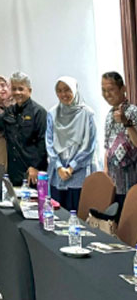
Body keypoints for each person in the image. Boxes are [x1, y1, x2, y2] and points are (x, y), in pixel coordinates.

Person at [46, 76, 98, 212]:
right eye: (59, 91)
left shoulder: (87, 114)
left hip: (78, 175)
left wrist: (71, 168)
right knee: (56, 215)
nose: (63, 94)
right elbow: (49, 144)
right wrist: (59, 167)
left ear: (74, 90)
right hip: (57, 175)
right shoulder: (52, 113)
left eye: (67, 89)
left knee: (77, 216)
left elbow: (89, 146)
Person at [0, 72, 48, 187]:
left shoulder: (39, 112)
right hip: (14, 171)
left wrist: (36, 167)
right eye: (14, 89)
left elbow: (43, 142)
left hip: (32, 172)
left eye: (21, 89)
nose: (17, 92)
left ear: (29, 91)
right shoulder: (10, 111)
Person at [101, 72, 137, 210]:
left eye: (111, 89)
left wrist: (126, 122)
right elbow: (107, 146)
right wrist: (105, 172)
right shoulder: (109, 115)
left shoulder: (133, 112)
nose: (107, 94)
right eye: (103, 90)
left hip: (131, 184)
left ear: (123, 89)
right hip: (114, 185)